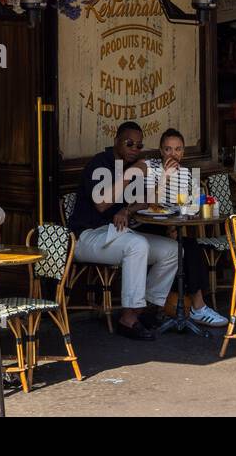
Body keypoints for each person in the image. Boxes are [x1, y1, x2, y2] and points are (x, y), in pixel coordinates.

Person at [67, 121, 179, 341]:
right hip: (87, 236)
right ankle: (128, 319)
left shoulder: (133, 166)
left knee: (172, 249)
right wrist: (130, 175)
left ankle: (146, 309)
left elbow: (147, 201)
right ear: (116, 141)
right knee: (137, 245)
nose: (134, 149)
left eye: (139, 146)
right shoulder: (100, 163)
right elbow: (102, 204)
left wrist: (128, 209)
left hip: (119, 233)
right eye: (129, 144)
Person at [142, 128, 227, 327]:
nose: (173, 154)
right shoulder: (150, 168)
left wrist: (187, 212)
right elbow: (147, 203)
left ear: (183, 152)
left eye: (178, 149)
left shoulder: (187, 174)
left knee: (191, 246)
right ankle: (196, 307)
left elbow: (193, 204)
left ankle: (190, 307)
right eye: (168, 149)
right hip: (146, 227)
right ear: (161, 151)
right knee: (186, 248)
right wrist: (165, 178)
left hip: (173, 227)